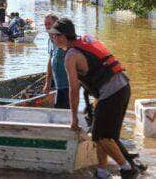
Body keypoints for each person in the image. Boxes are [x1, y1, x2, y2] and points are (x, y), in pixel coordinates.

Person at [48, 18, 140, 178]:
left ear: (63, 36)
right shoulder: (83, 42)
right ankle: (102, 172)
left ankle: (127, 169)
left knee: (101, 136)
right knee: (100, 135)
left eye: (54, 35)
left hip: (113, 92)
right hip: (121, 87)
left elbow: (74, 90)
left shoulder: (70, 56)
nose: (52, 38)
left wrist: (73, 118)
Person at [43, 14, 70, 109]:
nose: (47, 27)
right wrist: (48, 82)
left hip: (67, 85)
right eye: (45, 24)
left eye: (49, 24)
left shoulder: (63, 39)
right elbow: (51, 59)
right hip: (58, 84)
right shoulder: (50, 40)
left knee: (63, 112)